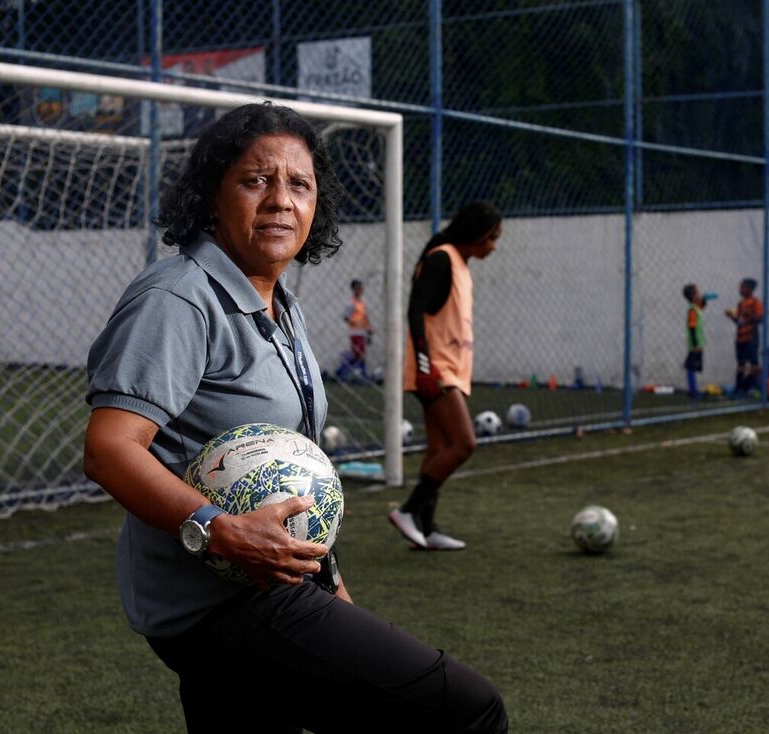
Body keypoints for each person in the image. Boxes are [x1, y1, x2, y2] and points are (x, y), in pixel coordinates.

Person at [84, 103, 508, 733]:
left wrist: (330, 588)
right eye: (256, 180)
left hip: (274, 584)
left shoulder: (281, 305)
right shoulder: (177, 297)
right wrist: (218, 529)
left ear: (317, 205)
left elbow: (293, 465)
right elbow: (110, 448)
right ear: (212, 194)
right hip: (221, 602)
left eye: (299, 184)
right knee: (470, 714)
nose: (280, 200)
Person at [388, 201, 503, 551]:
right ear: (476, 234)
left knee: (440, 447)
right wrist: (425, 365)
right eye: (492, 237)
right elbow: (415, 311)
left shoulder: (462, 265)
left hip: (453, 369)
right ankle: (409, 509)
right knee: (464, 444)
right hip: (435, 370)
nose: (494, 245)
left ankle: (426, 526)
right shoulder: (441, 257)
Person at [724, 277, 764, 395]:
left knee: (753, 363)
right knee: (741, 363)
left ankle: (756, 387)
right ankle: (739, 387)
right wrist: (732, 317)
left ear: (750, 289)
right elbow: (740, 321)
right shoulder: (740, 303)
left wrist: (749, 316)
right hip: (740, 338)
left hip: (751, 337)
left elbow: (760, 318)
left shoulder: (756, 302)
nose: (740, 289)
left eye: (743, 287)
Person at [681, 283, 716, 398]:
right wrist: (695, 344)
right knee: (691, 367)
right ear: (693, 296)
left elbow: (702, 306)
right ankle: (693, 391)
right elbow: (692, 327)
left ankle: (693, 389)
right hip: (695, 345)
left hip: (699, 344)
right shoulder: (692, 310)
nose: (700, 294)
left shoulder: (696, 308)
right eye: (698, 293)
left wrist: (705, 299)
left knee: (694, 367)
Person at [340, 277, 373, 380]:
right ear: (353, 289)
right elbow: (346, 317)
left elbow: (364, 317)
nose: (360, 290)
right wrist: (355, 323)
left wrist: (369, 327)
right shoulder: (352, 303)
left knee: (359, 355)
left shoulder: (362, 303)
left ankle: (360, 374)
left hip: (362, 332)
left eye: (361, 288)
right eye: (358, 288)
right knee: (358, 355)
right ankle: (341, 373)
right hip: (355, 332)